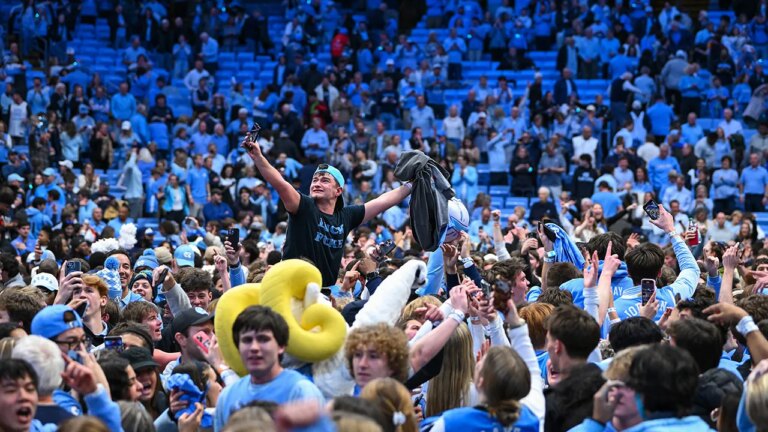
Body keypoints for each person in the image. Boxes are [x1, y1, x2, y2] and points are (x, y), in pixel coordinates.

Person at [242, 126, 412, 287]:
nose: (317, 183)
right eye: (315, 180)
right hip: (292, 288)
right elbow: (281, 184)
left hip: (325, 293)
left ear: (338, 191)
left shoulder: (346, 216)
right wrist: (258, 157)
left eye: (324, 180)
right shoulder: (304, 206)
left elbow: (382, 202)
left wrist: (411, 185)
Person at [214, 306, 324, 430]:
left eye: (263, 339)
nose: (254, 347)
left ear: (281, 346)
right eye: (247, 340)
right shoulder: (228, 396)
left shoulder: (301, 391)